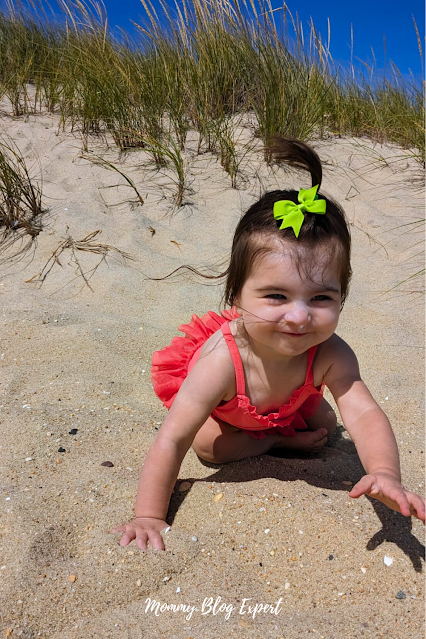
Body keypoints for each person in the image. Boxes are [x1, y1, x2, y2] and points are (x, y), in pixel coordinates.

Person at [112, 137, 425, 550]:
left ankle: (281, 433)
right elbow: (172, 439)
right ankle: (275, 440)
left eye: (321, 298)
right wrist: (148, 515)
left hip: (282, 406)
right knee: (208, 446)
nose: (298, 316)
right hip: (229, 418)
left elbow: (364, 412)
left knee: (330, 425)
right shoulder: (223, 360)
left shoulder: (331, 353)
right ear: (235, 297)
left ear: (342, 296)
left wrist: (385, 472)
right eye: (276, 296)